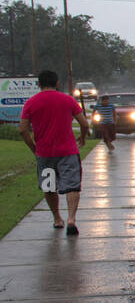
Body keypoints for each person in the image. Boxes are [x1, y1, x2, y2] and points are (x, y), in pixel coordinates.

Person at [18, 70, 90, 237]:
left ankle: (57, 218)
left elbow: (22, 129)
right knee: (72, 185)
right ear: (57, 83)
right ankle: (71, 219)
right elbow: (85, 124)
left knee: (49, 186)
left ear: (38, 84)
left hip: (44, 154)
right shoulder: (68, 100)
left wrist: (33, 147)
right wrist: (83, 137)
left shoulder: (31, 102)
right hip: (68, 152)